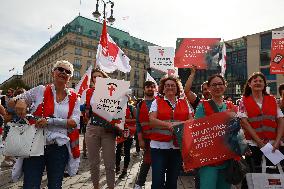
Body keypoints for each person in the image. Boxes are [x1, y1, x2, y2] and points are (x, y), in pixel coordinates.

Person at [12, 60, 81, 188]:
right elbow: (12, 102)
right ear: (53, 72)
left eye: (67, 71)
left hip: (59, 148)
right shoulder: (40, 90)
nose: (63, 72)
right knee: (31, 185)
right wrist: (21, 100)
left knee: (55, 185)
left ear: (70, 76)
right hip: (35, 144)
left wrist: (50, 121)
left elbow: (74, 122)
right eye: (60, 69)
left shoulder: (75, 97)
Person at [238, 72, 284, 188]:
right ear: (249, 84)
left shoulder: (272, 100)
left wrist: (278, 141)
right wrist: (259, 142)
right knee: (252, 177)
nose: (258, 83)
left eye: (260, 81)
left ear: (264, 84)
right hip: (253, 145)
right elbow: (244, 122)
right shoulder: (243, 101)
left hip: (273, 146)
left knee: (274, 177)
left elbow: (280, 120)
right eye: (255, 81)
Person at [149, 76, 192, 189]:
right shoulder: (156, 102)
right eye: (167, 85)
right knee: (158, 182)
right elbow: (152, 121)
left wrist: (179, 125)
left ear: (177, 89)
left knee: (172, 182)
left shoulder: (185, 103)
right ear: (163, 89)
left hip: (177, 148)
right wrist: (168, 125)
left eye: (173, 85)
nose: (170, 87)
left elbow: (191, 120)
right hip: (158, 147)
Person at [195, 74, 237, 189]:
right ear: (208, 88)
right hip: (209, 159)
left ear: (225, 86)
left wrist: (242, 147)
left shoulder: (230, 106)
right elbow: (196, 131)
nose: (217, 87)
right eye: (214, 85)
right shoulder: (202, 107)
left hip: (227, 159)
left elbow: (236, 131)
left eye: (220, 84)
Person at [82, 68, 116, 189]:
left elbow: (119, 110)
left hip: (108, 130)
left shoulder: (113, 91)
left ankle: (111, 186)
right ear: (92, 80)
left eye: (99, 76)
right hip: (92, 128)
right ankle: (96, 187)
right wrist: (86, 110)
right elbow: (86, 114)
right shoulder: (89, 92)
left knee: (109, 163)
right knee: (93, 163)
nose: (97, 79)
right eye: (94, 77)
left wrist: (123, 97)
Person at [134, 81, 156, 189]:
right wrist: (140, 139)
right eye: (148, 87)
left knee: (157, 162)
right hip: (146, 139)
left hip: (158, 138)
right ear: (144, 89)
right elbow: (138, 123)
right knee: (147, 161)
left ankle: (152, 183)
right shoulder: (140, 104)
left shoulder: (159, 102)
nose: (150, 89)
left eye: (152, 87)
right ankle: (139, 183)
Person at [115, 101, 136, 179]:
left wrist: (125, 120)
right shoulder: (116, 107)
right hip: (119, 132)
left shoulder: (132, 108)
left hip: (129, 132)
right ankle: (117, 167)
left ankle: (125, 170)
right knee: (118, 151)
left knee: (127, 151)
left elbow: (136, 120)